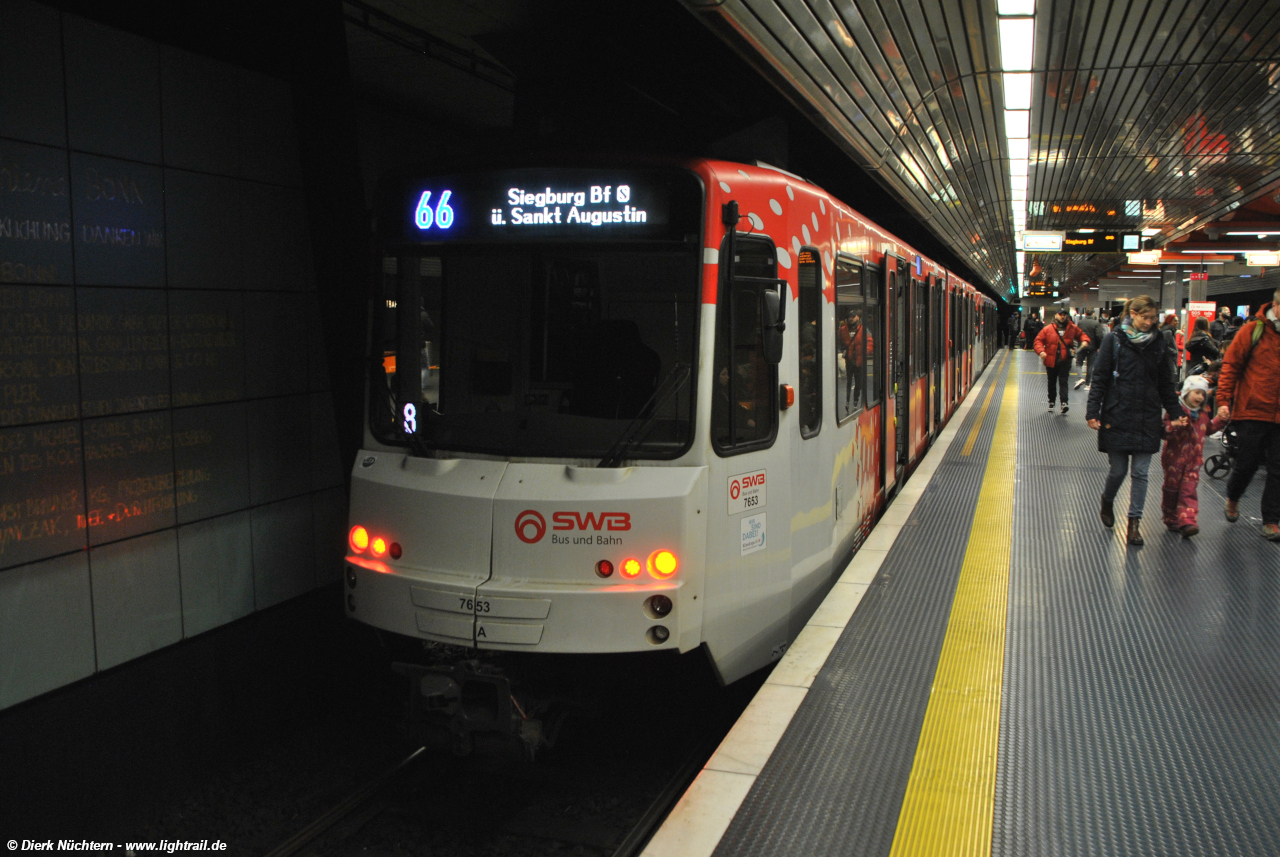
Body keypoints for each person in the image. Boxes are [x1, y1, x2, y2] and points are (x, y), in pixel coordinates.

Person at [1087, 295, 1187, 546]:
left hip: (1147, 415)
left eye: (1154, 318)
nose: (1150, 322)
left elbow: (1166, 383)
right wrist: (1092, 412)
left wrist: (1176, 413)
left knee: (1141, 473)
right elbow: (1099, 378)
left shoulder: (1159, 343)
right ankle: (1107, 500)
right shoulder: (1114, 340)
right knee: (1118, 471)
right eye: (1145, 317)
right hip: (1117, 413)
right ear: (1132, 313)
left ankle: (1134, 523)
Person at [1215, 291, 1280, 540]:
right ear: (1275, 305)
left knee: (1278, 469)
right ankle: (1233, 496)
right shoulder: (1252, 331)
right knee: (1247, 464)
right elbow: (1231, 366)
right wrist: (1222, 400)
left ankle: (1271, 520)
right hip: (1252, 411)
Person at [1160, 375, 1227, 538]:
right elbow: (1164, 431)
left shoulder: (1203, 415)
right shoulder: (1175, 412)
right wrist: (1174, 426)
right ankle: (1171, 516)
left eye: (1203, 394)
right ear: (1186, 393)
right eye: (1196, 392)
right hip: (1173, 460)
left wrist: (1220, 421)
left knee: (1188, 490)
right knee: (1172, 489)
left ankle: (1188, 521)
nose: (1200, 397)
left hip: (1194, 461)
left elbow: (1208, 428)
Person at [1034, 308, 1090, 413]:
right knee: (1052, 382)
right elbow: (1038, 340)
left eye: (1064, 315)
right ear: (1056, 315)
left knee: (1063, 381)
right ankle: (1051, 401)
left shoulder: (1072, 328)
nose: (1063, 316)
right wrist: (1041, 351)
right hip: (1051, 360)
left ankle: (1064, 403)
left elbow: (1082, 335)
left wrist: (1085, 341)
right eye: (1060, 314)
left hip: (1065, 360)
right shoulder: (1048, 329)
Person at [838, 308, 870, 414]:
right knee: (848, 382)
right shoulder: (843, 330)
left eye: (853, 316)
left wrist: (863, 353)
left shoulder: (863, 330)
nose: (851, 319)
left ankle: (855, 401)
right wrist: (841, 351)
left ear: (858, 317)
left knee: (858, 383)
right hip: (849, 360)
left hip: (859, 361)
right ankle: (847, 401)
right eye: (849, 317)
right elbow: (838, 340)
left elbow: (870, 343)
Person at [1074, 308, 1108, 390]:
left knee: (1079, 363)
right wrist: (1099, 346)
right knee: (1090, 365)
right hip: (1093, 347)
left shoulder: (1080, 322)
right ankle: (1088, 384)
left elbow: (1077, 334)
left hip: (1082, 345)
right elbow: (1099, 336)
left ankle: (1080, 378)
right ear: (1093, 314)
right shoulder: (1096, 323)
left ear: (1085, 314)